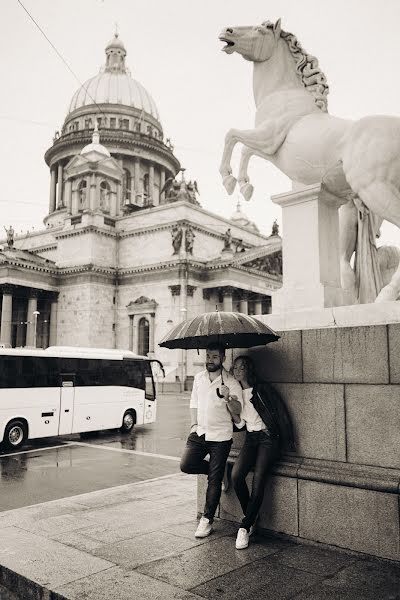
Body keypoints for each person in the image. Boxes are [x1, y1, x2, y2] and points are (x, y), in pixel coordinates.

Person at [227, 355, 296, 550]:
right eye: (235, 367)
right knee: (236, 475)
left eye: (241, 367)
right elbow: (240, 423)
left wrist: (284, 438)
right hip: (251, 439)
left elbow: (280, 414)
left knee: (258, 479)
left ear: (249, 369)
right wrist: (230, 406)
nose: (237, 370)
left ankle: (244, 527)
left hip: (267, 439)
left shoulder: (262, 390)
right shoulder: (237, 393)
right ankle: (251, 515)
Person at [180, 344, 243, 538]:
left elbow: (238, 410)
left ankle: (206, 520)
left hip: (221, 436)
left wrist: (228, 397)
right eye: (208, 356)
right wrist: (193, 425)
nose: (210, 360)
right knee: (187, 465)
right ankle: (219, 470)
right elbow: (194, 403)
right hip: (199, 433)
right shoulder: (199, 378)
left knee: (214, 481)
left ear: (223, 358)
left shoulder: (231, 381)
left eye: (214, 357)